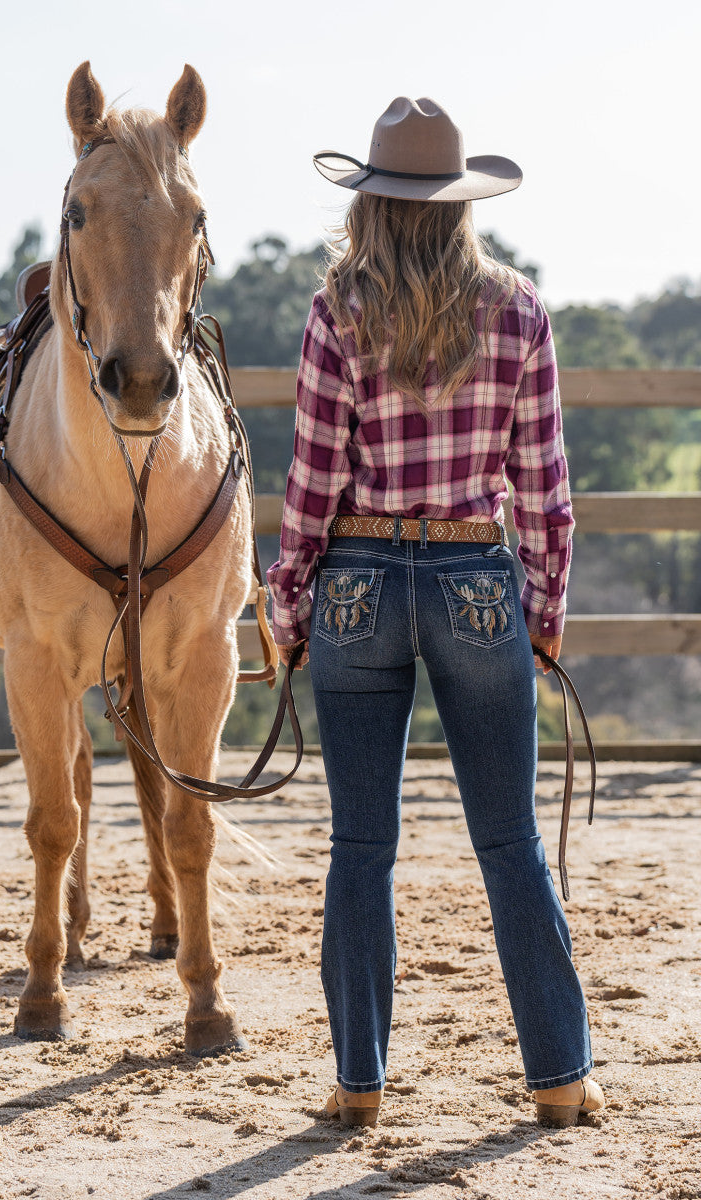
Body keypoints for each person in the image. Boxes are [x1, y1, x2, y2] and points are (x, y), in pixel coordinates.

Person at [266, 97, 604, 1130]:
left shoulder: (336, 308)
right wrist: (542, 610)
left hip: (359, 582)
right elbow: (542, 491)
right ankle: (556, 1078)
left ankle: (356, 1088)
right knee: (508, 842)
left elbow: (311, 484)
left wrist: (286, 609)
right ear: (459, 204)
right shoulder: (518, 309)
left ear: (370, 202)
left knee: (360, 847)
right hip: (473, 580)